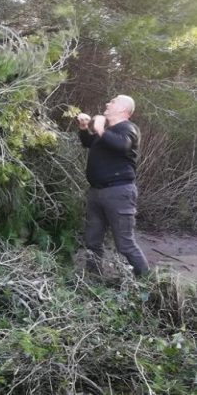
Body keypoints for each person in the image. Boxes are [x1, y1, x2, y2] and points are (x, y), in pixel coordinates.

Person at [76, 95, 150, 277]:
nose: (108, 103)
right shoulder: (107, 133)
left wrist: (100, 129)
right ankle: (93, 279)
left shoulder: (128, 129)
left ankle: (148, 284)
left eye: (113, 102)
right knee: (93, 241)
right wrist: (85, 128)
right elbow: (88, 142)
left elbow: (121, 145)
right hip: (96, 192)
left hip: (119, 193)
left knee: (125, 244)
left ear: (123, 110)